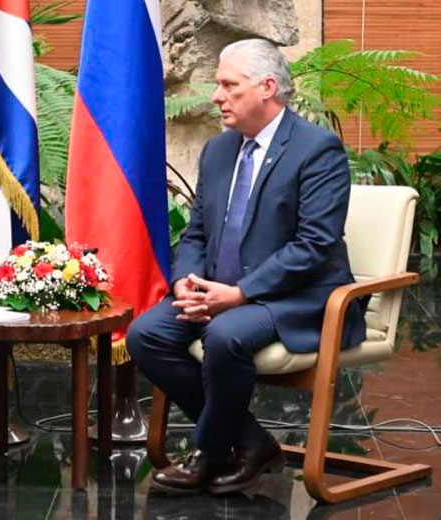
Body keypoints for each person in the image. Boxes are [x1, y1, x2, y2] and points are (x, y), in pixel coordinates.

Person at [127, 38, 366, 496]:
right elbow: (197, 231)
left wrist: (238, 294)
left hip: (297, 296)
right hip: (219, 292)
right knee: (147, 335)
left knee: (225, 334)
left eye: (228, 85)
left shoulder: (318, 150)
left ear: (267, 87)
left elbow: (314, 246)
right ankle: (252, 442)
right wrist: (185, 283)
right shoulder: (218, 150)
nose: (216, 96)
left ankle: (210, 450)